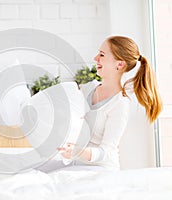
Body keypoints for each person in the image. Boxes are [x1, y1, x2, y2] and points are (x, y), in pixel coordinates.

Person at [55, 36, 163, 171]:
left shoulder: (120, 104)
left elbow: (108, 152)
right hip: (75, 165)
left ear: (119, 64)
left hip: (101, 169)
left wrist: (79, 152)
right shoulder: (87, 88)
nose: (95, 58)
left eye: (102, 55)